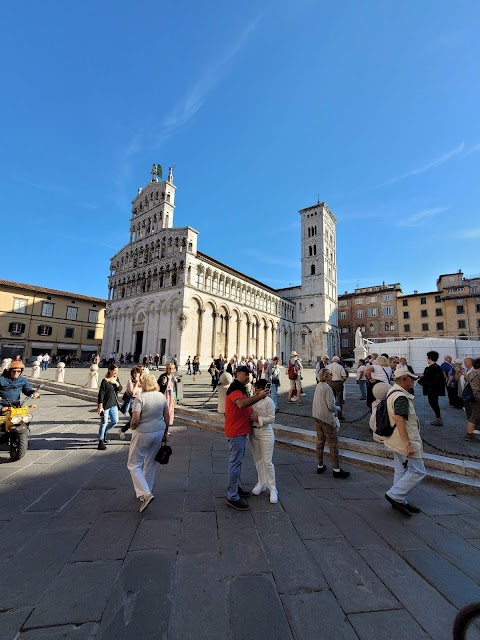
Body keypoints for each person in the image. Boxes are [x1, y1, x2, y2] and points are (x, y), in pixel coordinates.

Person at [224, 366, 268, 511]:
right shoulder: (235, 388)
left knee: (237, 461)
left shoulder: (241, 388)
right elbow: (241, 404)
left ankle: (235, 487)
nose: (248, 376)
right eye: (245, 374)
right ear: (237, 374)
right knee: (235, 462)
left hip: (240, 429)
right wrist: (259, 397)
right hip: (235, 431)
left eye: (249, 374)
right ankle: (232, 496)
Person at [384, 369, 426, 516]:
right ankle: (394, 495)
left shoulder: (392, 392)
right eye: (411, 379)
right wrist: (408, 443)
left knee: (400, 470)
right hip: (404, 440)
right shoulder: (401, 396)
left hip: (396, 439)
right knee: (418, 471)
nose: (413, 381)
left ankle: (400, 500)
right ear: (403, 379)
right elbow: (399, 419)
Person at [127, 373, 170, 512]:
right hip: (158, 431)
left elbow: (134, 420)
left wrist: (132, 428)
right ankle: (146, 490)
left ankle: (145, 493)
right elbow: (167, 416)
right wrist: (166, 431)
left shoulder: (140, 398)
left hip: (143, 433)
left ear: (144, 384)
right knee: (150, 462)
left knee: (134, 464)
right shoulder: (161, 396)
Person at [312, 369, 350, 478]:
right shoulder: (327, 388)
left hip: (317, 416)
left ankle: (320, 465)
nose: (332, 375)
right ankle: (336, 469)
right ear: (326, 376)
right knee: (333, 444)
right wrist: (338, 408)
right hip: (326, 418)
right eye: (330, 374)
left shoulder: (318, 386)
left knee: (320, 442)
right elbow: (331, 406)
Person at [249, 379, 278, 503]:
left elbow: (272, 418)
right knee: (257, 460)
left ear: (263, 389)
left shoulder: (269, 402)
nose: (256, 390)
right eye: (255, 388)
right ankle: (262, 482)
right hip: (253, 432)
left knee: (267, 461)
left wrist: (258, 418)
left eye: (258, 388)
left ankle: (273, 488)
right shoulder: (252, 400)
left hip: (265, 431)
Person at [97, 363, 122, 450]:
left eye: (117, 371)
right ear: (110, 370)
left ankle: (104, 432)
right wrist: (100, 406)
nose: (116, 372)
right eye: (114, 371)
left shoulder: (116, 379)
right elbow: (101, 394)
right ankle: (101, 441)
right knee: (104, 423)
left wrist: (116, 383)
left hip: (114, 404)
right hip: (106, 405)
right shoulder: (104, 381)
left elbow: (120, 389)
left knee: (115, 421)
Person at [418, 350, 445, 426]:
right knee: (433, 403)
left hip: (432, 389)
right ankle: (438, 419)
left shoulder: (432, 368)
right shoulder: (437, 367)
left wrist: (421, 380)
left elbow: (430, 379)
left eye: (427, 358)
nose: (427, 360)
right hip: (434, 389)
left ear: (430, 358)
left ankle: (438, 419)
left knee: (433, 403)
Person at [119, 366, 143, 439]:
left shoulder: (142, 381)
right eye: (134, 373)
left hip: (140, 402)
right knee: (134, 419)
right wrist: (136, 383)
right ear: (132, 374)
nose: (136, 375)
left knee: (136, 419)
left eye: (138, 373)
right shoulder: (130, 381)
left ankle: (123, 430)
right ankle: (133, 434)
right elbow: (133, 393)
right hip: (132, 402)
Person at [158, 362, 178, 433]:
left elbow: (175, 389)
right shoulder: (163, 376)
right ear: (167, 369)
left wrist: (175, 400)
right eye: (169, 368)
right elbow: (159, 385)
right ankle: (162, 428)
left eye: (172, 368)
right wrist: (163, 383)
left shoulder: (173, 377)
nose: (171, 370)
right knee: (163, 412)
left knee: (170, 412)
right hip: (164, 396)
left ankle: (166, 429)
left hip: (171, 397)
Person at [464, 357, 480, 442]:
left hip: (472, 396)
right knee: (474, 415)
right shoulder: (479, 374)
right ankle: (469, 434)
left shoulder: (471, 373)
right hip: (478, 396)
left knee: (473, 414)